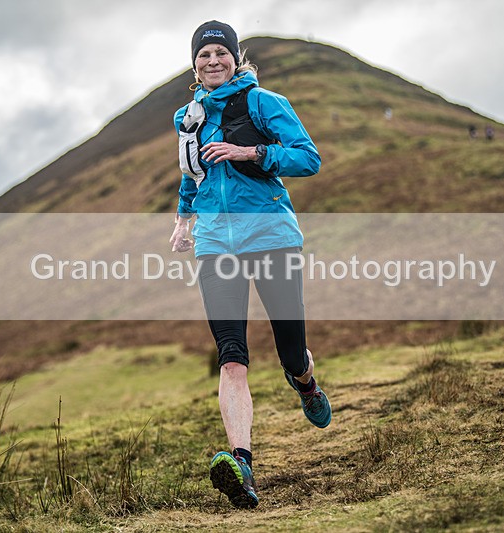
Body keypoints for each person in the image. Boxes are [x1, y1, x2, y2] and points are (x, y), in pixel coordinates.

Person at [169, 20, 331, 510]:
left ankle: (304, 381)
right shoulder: (188, 117)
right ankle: (242, 463)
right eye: (204, 55)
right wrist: (183, 220)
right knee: (231, 354)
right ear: (194, 64)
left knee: (290, 349)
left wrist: (249, 151)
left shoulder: (265, 103)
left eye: (221, 52)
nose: (212, 61)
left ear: (235, 58)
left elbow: (309, 159)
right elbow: (190, 174)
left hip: (270, 234)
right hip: (216, 243)